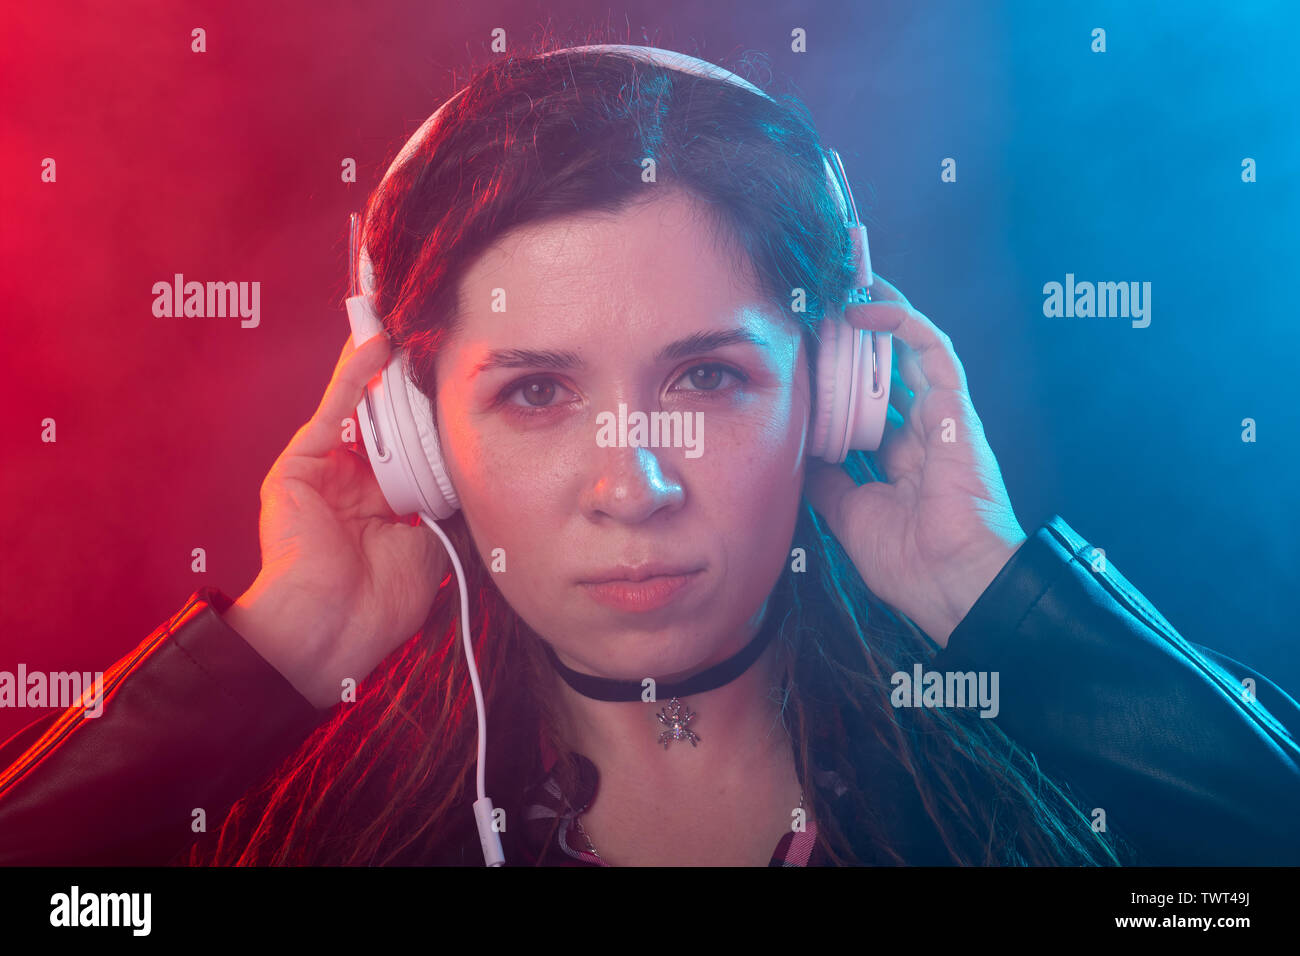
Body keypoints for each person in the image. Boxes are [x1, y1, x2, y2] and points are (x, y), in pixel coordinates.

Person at [2, 42, 1298, 867]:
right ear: (412, 436)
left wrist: (981, 587)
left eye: (707, 376)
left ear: (841, 392)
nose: (633, 488)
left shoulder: (1010, 813)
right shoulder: (300, 845)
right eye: (537, 392)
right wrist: (276, 649)